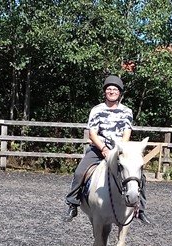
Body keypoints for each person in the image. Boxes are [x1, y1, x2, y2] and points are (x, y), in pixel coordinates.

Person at [64, 75, 150, 224]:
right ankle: (73, 203)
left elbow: (127, 133)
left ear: (120, 93)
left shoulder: (127, 111)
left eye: (115, 89)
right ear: (105, 92)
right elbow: (92, 133)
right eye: (109, 89)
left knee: (139, 175)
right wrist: (103, 148)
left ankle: (140, 209)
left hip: (119, 150)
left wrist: (118, 150)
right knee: (80, 171)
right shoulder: (97, 110)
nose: (112, 91)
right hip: (98, 149)